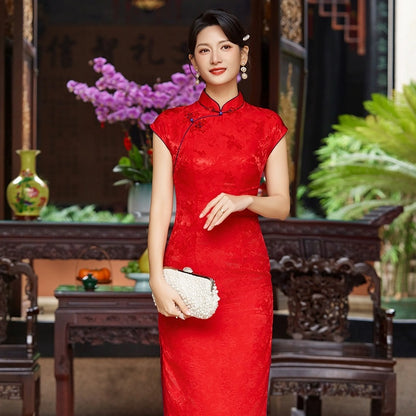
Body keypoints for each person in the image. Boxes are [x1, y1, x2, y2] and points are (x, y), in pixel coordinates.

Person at [148, 8, 290, 415]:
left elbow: (281, 204)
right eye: (204, 50)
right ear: (192, 61)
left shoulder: (268, 125)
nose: (216, 58)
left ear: (243, 55)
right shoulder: (171, 125)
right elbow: (160, 208)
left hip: (246, 283)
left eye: (225, 47)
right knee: (190, 398)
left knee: (242, 397)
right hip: (186, 279)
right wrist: (157, 279)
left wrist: (246, 200)